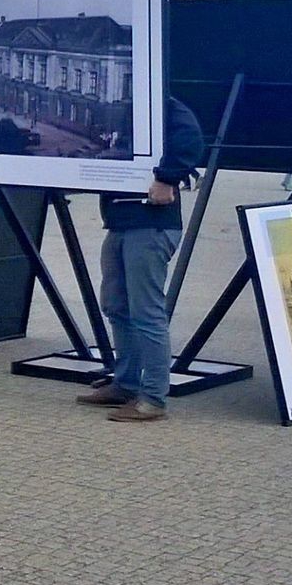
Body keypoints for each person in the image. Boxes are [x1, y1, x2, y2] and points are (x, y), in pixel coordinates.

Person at [79, 95, 208, 423]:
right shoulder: (127, 106)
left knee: (146, 311)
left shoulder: (162, 104)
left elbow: (192, 138)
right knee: (116, 305)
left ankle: (152, 397)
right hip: (122, 222)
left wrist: (167, 177)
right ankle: (125, 384)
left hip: (151, 225)